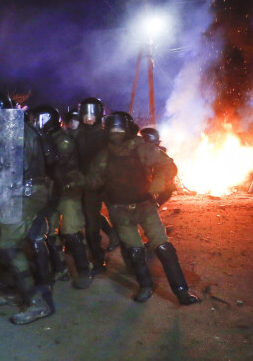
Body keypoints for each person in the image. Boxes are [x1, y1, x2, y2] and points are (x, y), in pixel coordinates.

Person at [85, 111, 200, 305]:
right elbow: (93, 180)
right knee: (135, 251)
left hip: (145, 206)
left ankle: (181, 291)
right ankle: (145, 286)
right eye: (112, 129)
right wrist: (78, 181)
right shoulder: (104, 155)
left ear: (129, 129)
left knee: (163, 247)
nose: (116, 132)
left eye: (120, 128)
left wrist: (160, 179)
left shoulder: (142, 148)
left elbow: (168, 165)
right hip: (119, 210)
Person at [0, 94, 55, 325]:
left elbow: (13, 168)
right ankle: (12, 291)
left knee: (8, 246)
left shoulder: (19, 132)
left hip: (26, 194)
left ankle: (37, 302)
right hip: (12, 193)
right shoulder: (4, 132)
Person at [33, 105, 92, 290]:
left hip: (68, 190)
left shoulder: (63, 139)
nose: (36, 122)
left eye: (39, 119)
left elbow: (55, 161)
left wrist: (42, 140)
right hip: (50, 191)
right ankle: (60, 269)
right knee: (50, 234)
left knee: (71, 232)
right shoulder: (44, 137)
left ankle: (84, 271)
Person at [74, 98, 119, 270]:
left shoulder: (107, 135)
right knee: (91, 224)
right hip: (89, 185)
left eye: (92, 114)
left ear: (99, 114)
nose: (88, 118)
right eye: (85, 114)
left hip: (108, 185)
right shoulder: (77, 135)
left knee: (121, 220)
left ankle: (126, 252)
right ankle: (98, 258)